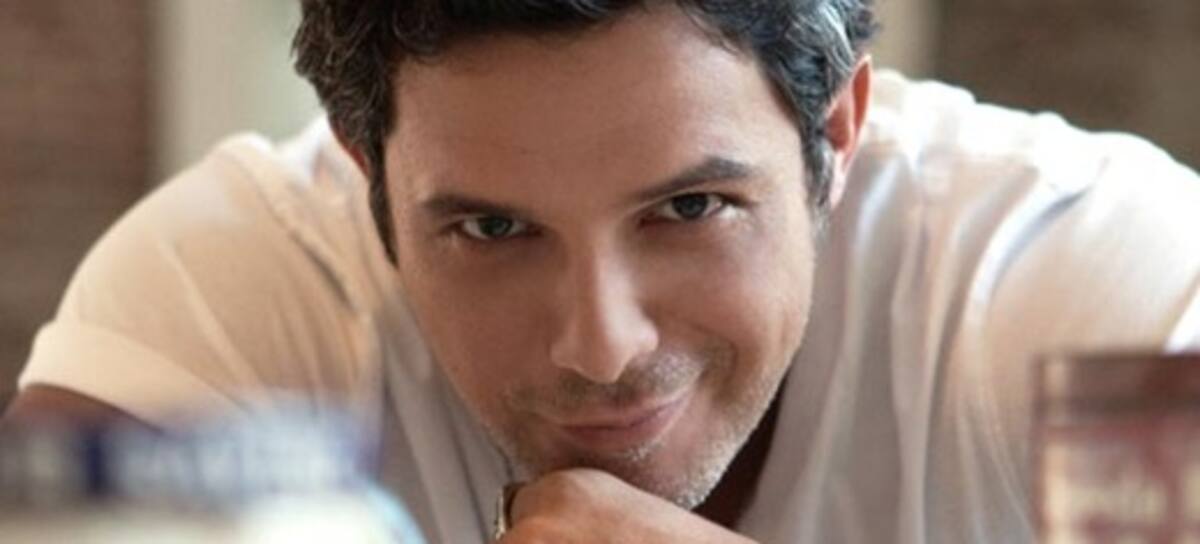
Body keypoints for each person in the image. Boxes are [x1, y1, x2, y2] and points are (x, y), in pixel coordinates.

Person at [6, 1, 1200, 542]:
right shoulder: (241, 279)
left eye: (690, 208)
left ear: (837, 129)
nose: (602, 342)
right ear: (367, 168)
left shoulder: (1067, 272)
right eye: (493, 229)